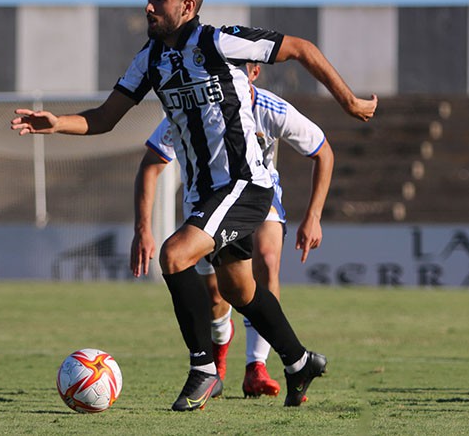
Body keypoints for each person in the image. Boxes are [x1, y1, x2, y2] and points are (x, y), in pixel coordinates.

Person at [11, 0, 376, 410]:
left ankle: (204, 369)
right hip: (206, 195)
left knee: (174, 254)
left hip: (245, 184)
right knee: (240, 291)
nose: (148, 6)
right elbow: (105, 119)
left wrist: (350, 101)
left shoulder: (219, 42)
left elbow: (300, 48)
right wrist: (56, 124)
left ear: (187, 6)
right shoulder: (150, 59)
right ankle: (299, 362)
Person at [131, 62, 334, 401]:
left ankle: (242, 366)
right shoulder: (193, 106)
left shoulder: (269, 109)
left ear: (253, 74)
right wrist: (143, 227)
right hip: (205, 206)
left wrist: (313, 216)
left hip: (255, 197)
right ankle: (296, 361)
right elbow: (151, 162)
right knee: (224, 293)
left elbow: (322, 151)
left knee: (264, 260)